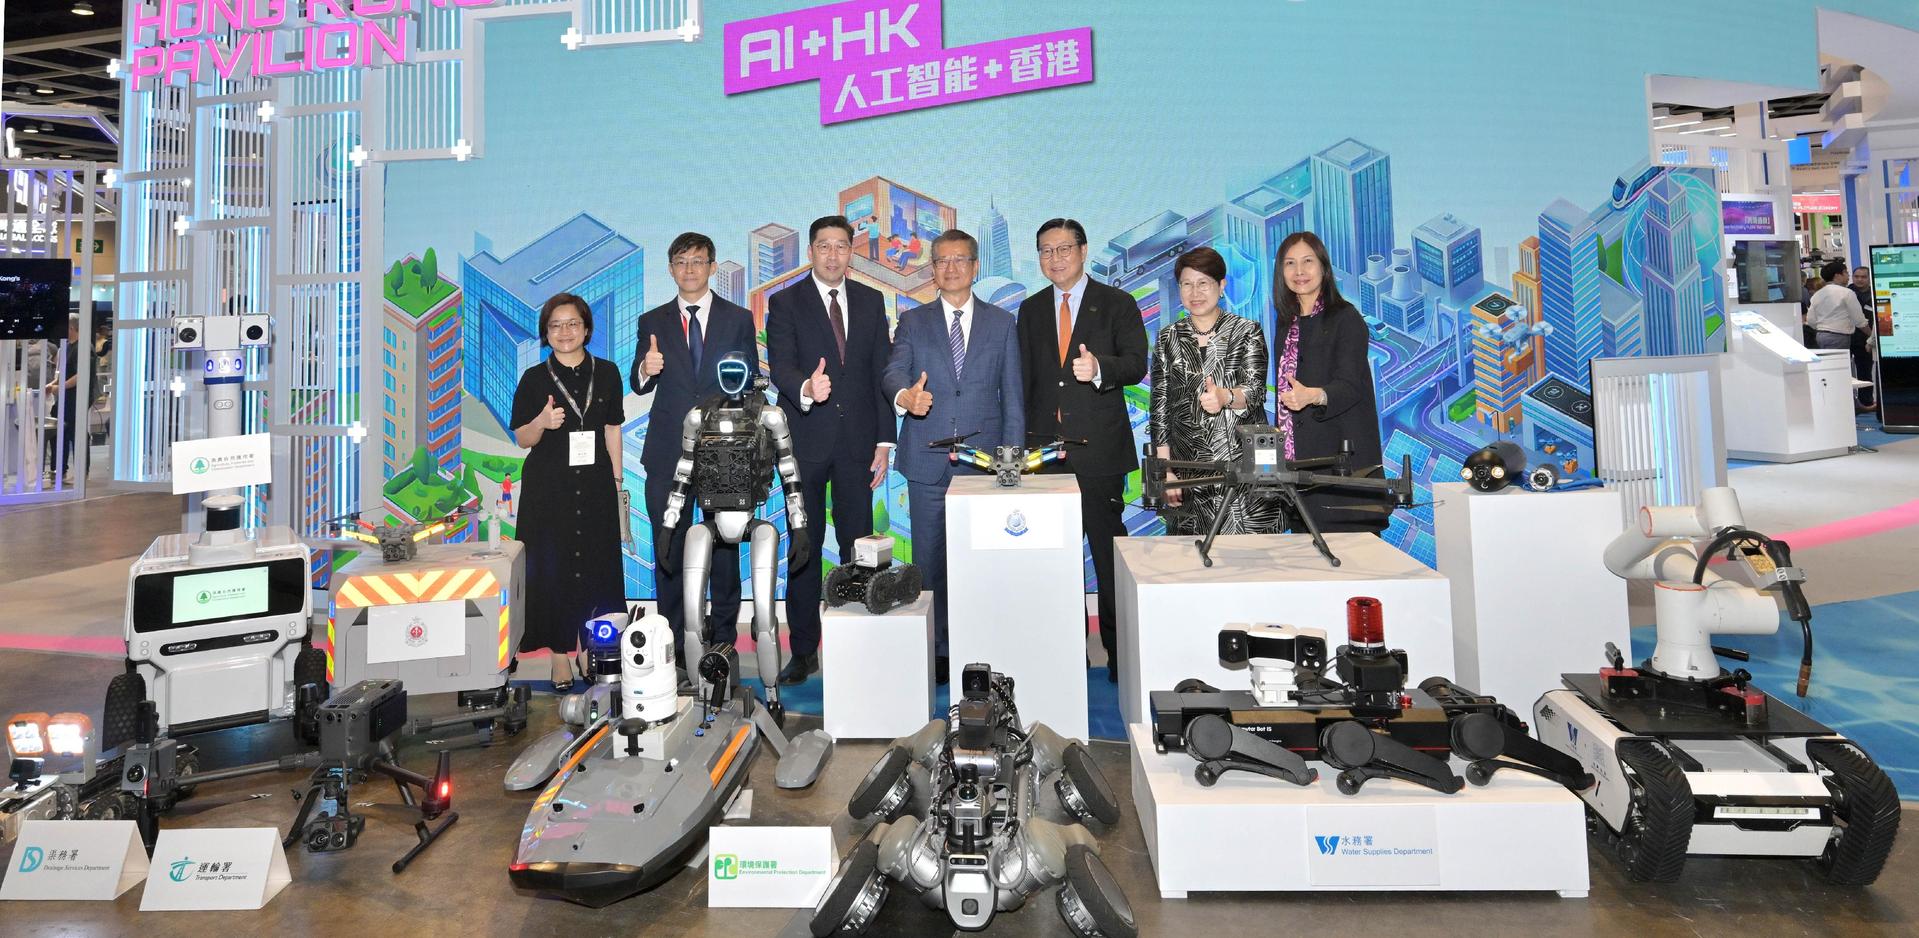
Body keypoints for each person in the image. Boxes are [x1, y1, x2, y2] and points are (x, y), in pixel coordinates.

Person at [883, 229, 1024, 683]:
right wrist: (906, 397)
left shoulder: (1002, 323)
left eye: (960, 259)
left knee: (981, 560)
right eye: (941, 260)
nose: (950, 268)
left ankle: (981, 641)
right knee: (928, 562)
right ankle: (938, 648)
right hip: (927, 460)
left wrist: (1011, 462)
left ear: (975, 267)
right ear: (932, 269)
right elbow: (893, 372)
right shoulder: (913, 321)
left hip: (983, 464)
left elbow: (1012, 397)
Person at [1017, 218, 1149, 683]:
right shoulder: (1031, 309)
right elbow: (1025, 380)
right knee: (1053, 563)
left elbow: (1136, 364)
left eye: (1063, 249)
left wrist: (1099, 369)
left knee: (1109, 557)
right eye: (1045, 250)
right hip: (1045, 456)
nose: (1055, 258)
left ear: (1083, 250)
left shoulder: (1116, 303)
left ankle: (1119, 656)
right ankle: (1063, 655)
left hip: (1098, 451)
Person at [765, 215, 896, 685]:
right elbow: (780, 364)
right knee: (804, 546)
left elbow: (882, 372)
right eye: (824, 246)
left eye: (842, 246)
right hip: (804, 443)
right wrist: (806, 387)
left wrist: (884, 441)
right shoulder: (785, 302)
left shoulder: (870, 300)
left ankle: (857, 644)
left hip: (858, 444)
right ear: (811, 252)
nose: (833, 255)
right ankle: (804, 650)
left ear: (851, 252)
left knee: (858, 545)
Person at [631, 232, 759, 666]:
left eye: (698, 261)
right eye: (681, 262)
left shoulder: (738, 319)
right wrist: (646, 368)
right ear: (670, 269)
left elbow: (749, 381)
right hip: (668, 451)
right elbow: (638, 382)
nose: (689, 269)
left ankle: (723, 639)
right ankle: (672, 639)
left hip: (724, 453)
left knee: (724, 548)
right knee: (669, 545)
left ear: (712, 267)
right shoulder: (652, 321)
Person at [511, 293, 626, 689]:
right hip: (548, 491)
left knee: (595, 569)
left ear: (586, 329)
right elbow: (523, 439)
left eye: (572, 323)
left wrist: (616, 482)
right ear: (546, 333)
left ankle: (588, 648)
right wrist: (541, 422)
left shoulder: (607, 372)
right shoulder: (534, 379)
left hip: (595, 486)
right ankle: (559, 655)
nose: (565, 332)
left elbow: (612, 428)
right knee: (552, 571)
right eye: (555, 325)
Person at [1150, 247, 1277, 535]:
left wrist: (1226, 397)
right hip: (1187, 474)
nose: (1195, 292)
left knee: (1246, 555)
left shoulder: (1247, 331)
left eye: (1203, 283)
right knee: (1191, 554)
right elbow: (1160, 410)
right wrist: (1166, 471)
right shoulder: (1168, 338)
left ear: (1221, 286)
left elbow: (1256, 391)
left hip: (1241, 470)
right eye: (1186, 284)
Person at [1271, 231, 1388, 534]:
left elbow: (1351, 385)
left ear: (1323, 267)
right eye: (1290, 263)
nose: (1299, 271)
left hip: (1340, 468)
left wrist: (1315, 395)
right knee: (1307, 559)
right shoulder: (1286, 323)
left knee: (1353, 561)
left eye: (1308, 261)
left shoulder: (1346, 318)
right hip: (1299, 470)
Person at [41, 314, 85, 485]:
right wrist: (52, 385)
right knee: (59, 432)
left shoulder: (83, 348)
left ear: (71, 328)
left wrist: (59, 387)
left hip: (76, 399)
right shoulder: (64, 348)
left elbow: (80, 375)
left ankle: (81, 473)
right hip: (64, 399)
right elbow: (60, 374)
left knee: (75, 434)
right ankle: (59, 470)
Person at [1806, 259, 1868, 353]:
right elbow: (1859, 320)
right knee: (1839, 361)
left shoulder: (1817, 294)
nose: (1848, 276)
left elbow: (1811, 320)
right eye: (1846, 273)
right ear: (1837, 275)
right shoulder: (1847, 293)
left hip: (1821, 336)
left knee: (1829, 360)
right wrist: (1871, 335)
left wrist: (1823, 328)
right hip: (1839, 336)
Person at [1850, 264, 1877, 410]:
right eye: (1856, 276)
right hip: (1847, 337)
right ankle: (1848, 404)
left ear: (1869, 278)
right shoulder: (1847, 293)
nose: (1859, 280)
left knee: (1865, 372)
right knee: (1844, 372)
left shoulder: (1875, 293)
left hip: (1866, 339)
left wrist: (1871, 339)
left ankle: (1866, 402)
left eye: (1863, 277)